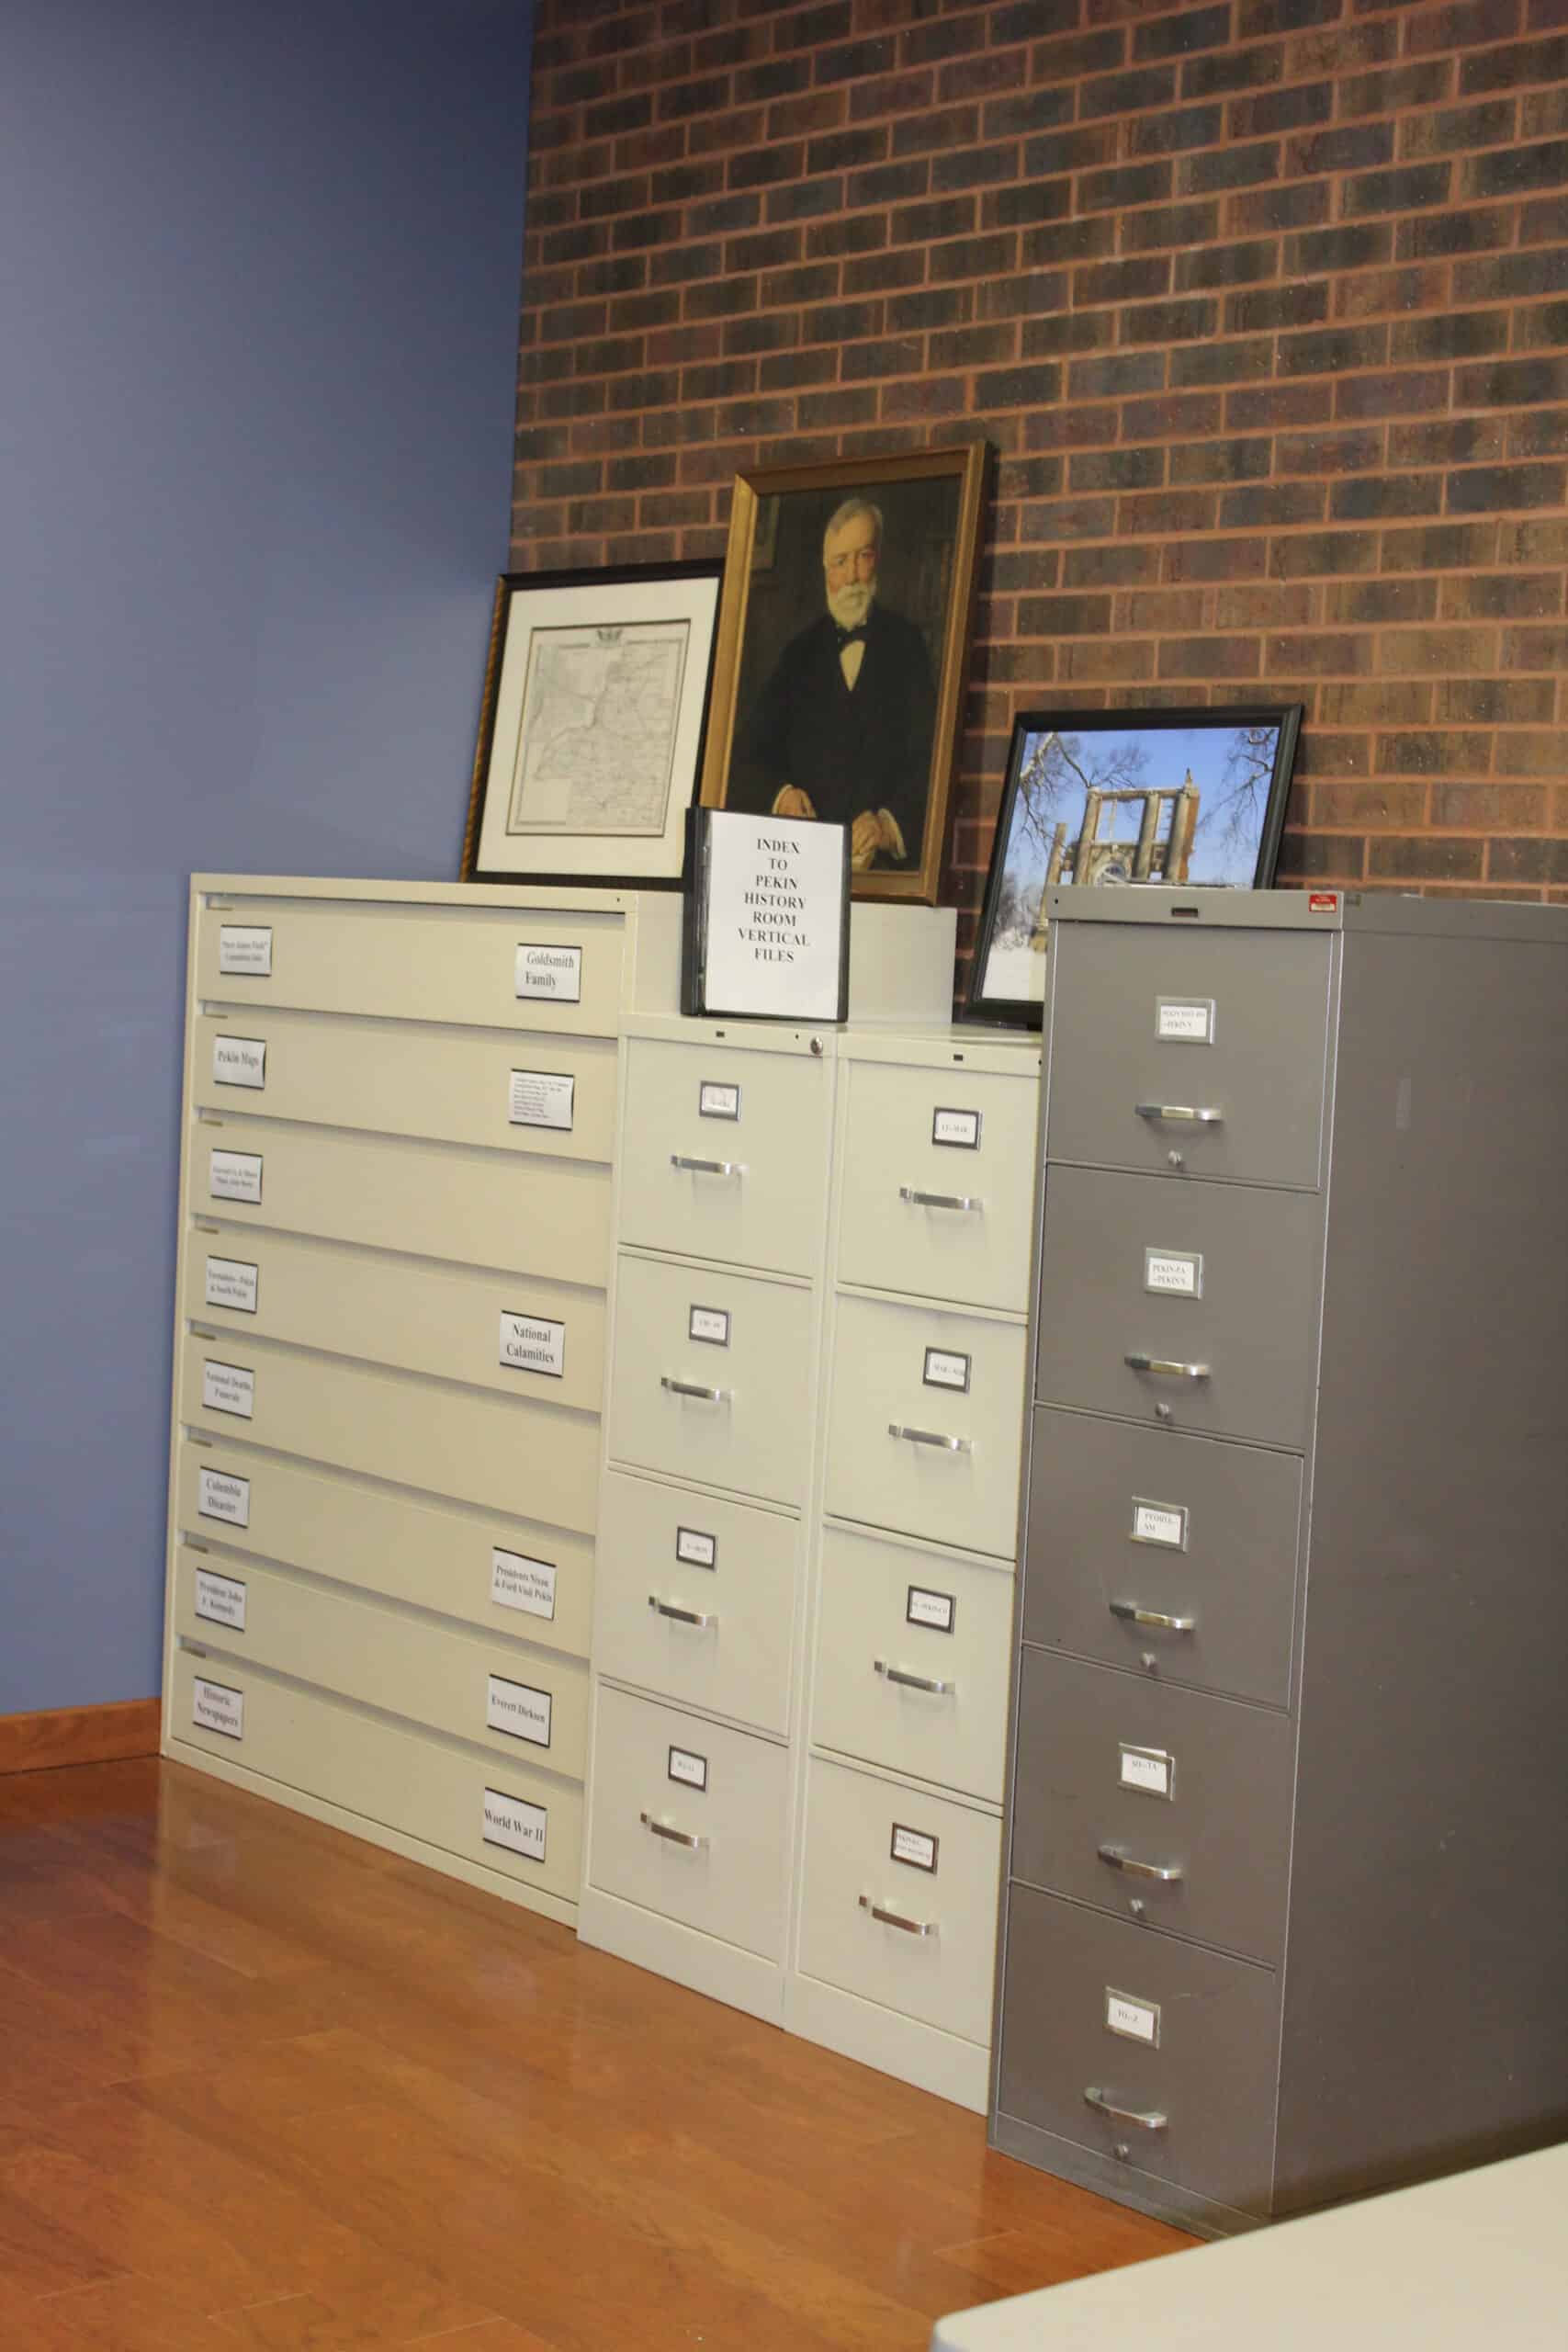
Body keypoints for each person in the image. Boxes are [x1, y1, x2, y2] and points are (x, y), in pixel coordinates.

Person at [732, 497, 937, 871]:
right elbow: (748, 757)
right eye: (841, 562)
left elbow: (929, 761)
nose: (853, 576)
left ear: (878, 559)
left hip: (883, 877)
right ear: (825, 569)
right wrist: (783, 796)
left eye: (864, 557)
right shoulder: (797, 654)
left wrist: (888, 825)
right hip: (800, 871)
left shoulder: (908, 646)